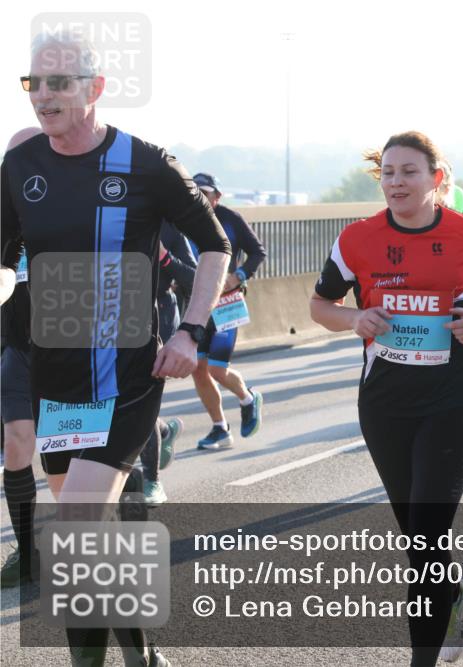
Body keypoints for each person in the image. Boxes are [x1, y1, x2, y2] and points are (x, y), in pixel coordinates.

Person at [1, 29, 231, 666]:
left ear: (95, 89)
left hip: (128, 374)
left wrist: (191, 330)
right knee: (91, 537)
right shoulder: (19, 167)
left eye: (58, 83)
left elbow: (216, 246)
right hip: (57, 375)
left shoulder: (144, 162)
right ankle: (142, 653)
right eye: (33, 83)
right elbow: (1, 258)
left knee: (74, 528)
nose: (42, 97)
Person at [310, 131, 463, 666]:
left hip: (454, 399)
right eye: (388, 172)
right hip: (386, 404)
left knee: (423, 543)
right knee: (418, 534)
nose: (396, 182)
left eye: (409, 172)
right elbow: (321, 303)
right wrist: (354, 318)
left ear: (436, 179)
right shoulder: (357, 240)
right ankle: (455, 592)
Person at [189, 173, 266, 451]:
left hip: (227, 302)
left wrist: (240, 275)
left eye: (204, 192)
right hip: (195, 303)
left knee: (217, 369)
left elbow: (258, 252)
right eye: (193, 190)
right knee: (197, 368)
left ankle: (247, 398)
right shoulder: (181, 217)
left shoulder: (231, 218)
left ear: (216, 196)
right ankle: (220, 428)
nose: (198, 196)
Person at [0, 127, 43, 590]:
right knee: (16, 444)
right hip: (18, 347)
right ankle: (27, 551)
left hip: (74, 350)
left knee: (70, 462)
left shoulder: (71, 202)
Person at [140, 222, 197, 504]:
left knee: (141, 397)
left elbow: (194, 277)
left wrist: (164, 257)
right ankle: (164, 429)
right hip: (112, 313)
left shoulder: (171, 228)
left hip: (157, 316)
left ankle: (152, 481)